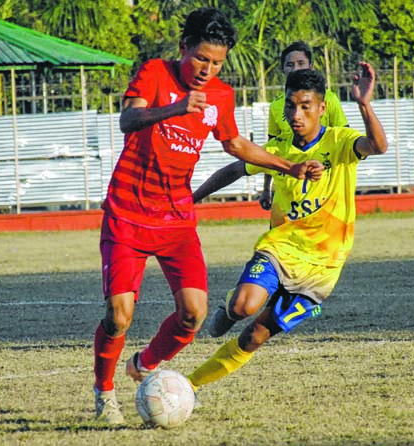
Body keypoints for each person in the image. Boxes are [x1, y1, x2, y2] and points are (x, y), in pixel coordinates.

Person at [93, 7, 324, 424]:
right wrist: (176, 108)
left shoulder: (221, 95)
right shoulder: (155, 73)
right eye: (201, 58)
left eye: (216, 63)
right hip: (127, 213)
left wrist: (288, 167)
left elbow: (235, 145)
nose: (207, 69)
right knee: (119, 316)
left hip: (176, 220)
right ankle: (104, 392)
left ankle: (144, 364)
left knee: (194, 315)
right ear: (184, 47)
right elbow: (128, 119)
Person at [186, 63, 387, 396]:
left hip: (323, 268)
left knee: (254, 336)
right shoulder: (278, 150)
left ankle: (190, 385)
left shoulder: (340, 141)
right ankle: (230, 307)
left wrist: (364, 105)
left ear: (322, 108)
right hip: (280, 249)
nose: (296, 114)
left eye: (305, 106)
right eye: (291, 105)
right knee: (243, 307)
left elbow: (377, 146)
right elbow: (235, 169)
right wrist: (192, 198)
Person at [259, 41, 349, 211]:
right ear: (283, 69)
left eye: (301, 63)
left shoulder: (329, 100)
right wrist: (266, 189)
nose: (295, 69)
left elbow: (345, 142)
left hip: (323, 186)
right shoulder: (276, 106)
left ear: (311, 66)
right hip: (287, 187)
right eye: (290, 65)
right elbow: (270, 153)